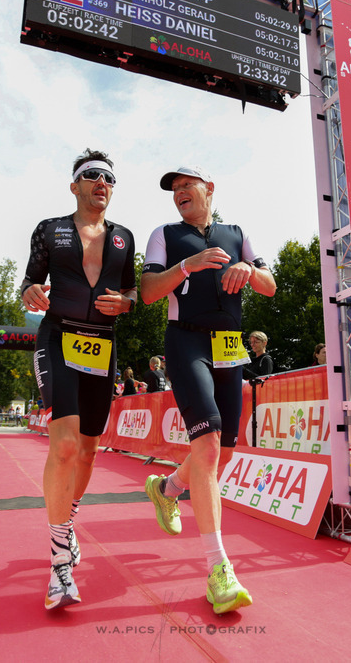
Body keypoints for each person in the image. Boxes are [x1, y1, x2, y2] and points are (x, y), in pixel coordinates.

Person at [140, 164, 276, 614]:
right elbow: (148, 292)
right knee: (210, 442)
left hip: (229, 345)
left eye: (186, 185)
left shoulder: (237, 232)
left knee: (225, 451)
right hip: (187, 342)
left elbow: (270, 285)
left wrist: (245, 268)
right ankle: (220, 569)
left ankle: (167, 489)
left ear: (208, 189)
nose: (179, 192)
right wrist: (188, 265)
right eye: (174, 189)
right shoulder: (164, 234)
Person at [19, 148, 137, 609]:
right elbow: (30, 281)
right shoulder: (50, 230)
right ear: (75, 186)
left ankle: (67, 518)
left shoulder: (123, 238)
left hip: (101, 346)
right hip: (58, 339)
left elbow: (130, 290)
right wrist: (28, 290)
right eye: (91, 176)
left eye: (108, 177)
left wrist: (127, 303)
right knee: (64, 445)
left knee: (88, 450)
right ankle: (58, 561)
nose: (101, 183)